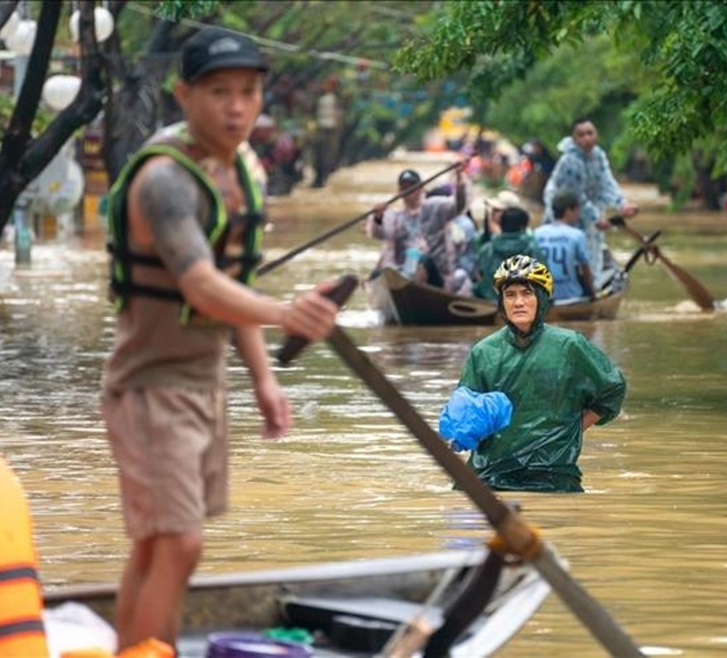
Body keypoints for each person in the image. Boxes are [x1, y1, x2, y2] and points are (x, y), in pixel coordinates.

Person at [101, 28, 339, 650]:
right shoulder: (164, 180)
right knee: (180, 541)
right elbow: (202, 286)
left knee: (158, 542)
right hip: (150, 388)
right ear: (183, 95)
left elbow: (235, 282)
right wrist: (287, 314)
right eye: (219, 93)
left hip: (203, 386)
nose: (236, 108)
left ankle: (135, 650)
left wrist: (263, 379)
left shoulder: (241, 170)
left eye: (248, 92)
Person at [441, 255, 626, 492]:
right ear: (502, 302)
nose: (518, 302)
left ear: (541, 298)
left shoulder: (570, 346)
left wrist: (573, 429)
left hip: (552, 475)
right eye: (510, 295)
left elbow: (612, 390)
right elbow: (465, 410)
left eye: (526, 293)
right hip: (490, 475)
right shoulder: (483, 352)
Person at [542, 118, 638, 281]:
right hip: (565, 213)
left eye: (590, 133)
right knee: (569, 253)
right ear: (574, 139)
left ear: (596, 134)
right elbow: (576, 195)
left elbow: (607, 183)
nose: (586, 138)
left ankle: (592, 284)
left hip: (589, 209)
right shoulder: (570, 161)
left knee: (592, 253)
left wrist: (622, 204)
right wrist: (597, 218)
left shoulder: (598, 155)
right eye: (581, 135)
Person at [366, 166, 466, 289]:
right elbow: (379, 234)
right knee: (378, 274)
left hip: (435, 274)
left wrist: (460, 181)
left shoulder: (435, 206)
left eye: (412, 186)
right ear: (400, 191)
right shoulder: (394, 216)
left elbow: (458, 206)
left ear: (420, 188)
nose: (408, 191)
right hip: (402, 274)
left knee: (424, 260)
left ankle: (412, 288)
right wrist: (378, 217)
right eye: (404, 187)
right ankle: (403, 287)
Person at [534, 190, 595, 302]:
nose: (578, 214)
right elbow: (585, 268)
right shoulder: (577, 235)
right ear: (568, 211)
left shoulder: (537, 233)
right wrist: (593, 294)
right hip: (571, 295)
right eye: (577, 210)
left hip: (543, 296)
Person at [473, 207, 544, 300]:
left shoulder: (487, 250)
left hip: (489, 305)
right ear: (523, 227)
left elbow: (479, 278)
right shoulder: (532, 249)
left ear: (501, 225)